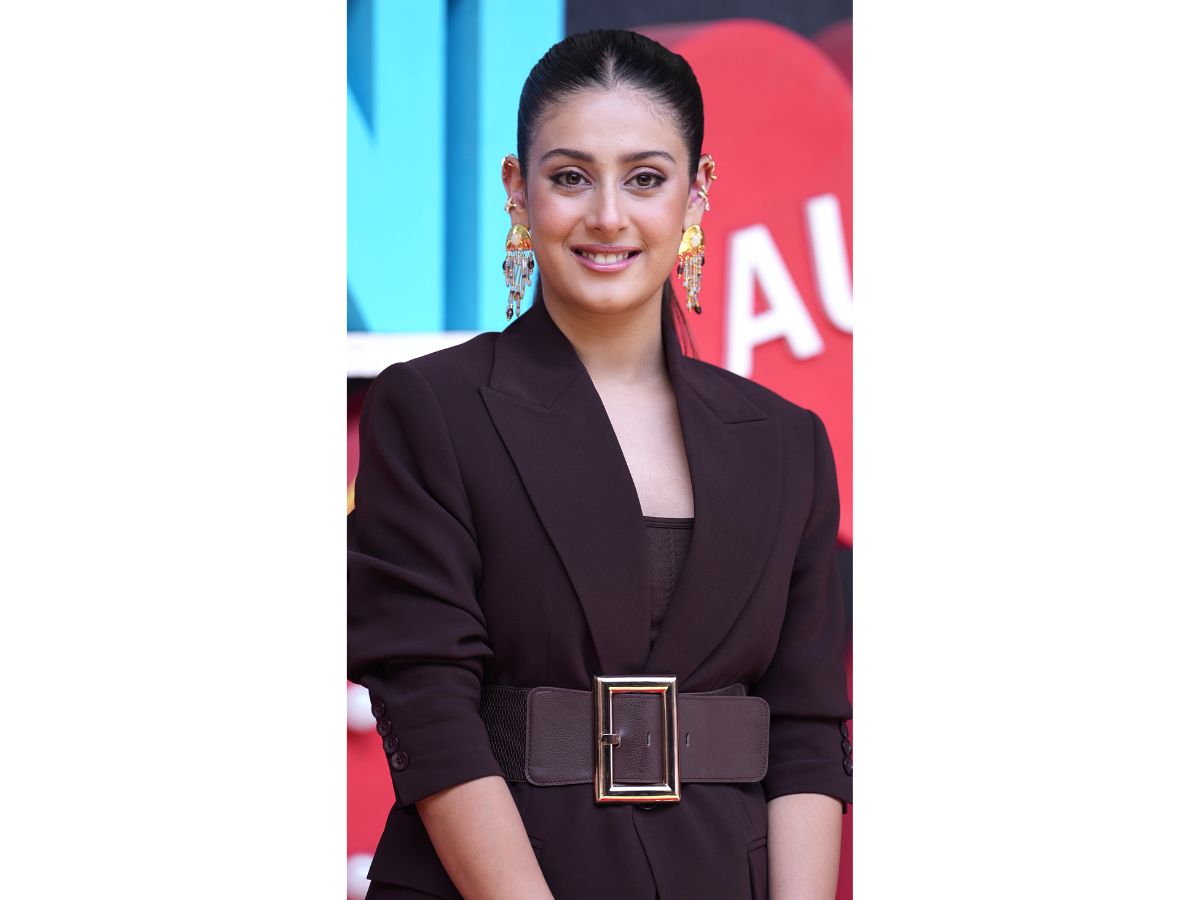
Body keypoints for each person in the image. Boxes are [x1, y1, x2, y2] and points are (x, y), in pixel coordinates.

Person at [348, 29, 851, 900]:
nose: (609, 216)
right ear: (517, 188)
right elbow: (429, 714)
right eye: (571, 176)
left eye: (646, 178)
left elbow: (806, 732)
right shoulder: (431, 409)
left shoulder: (787, 441)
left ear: (698, 192)